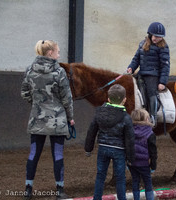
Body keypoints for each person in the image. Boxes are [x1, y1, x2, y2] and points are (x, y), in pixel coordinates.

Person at [21, 40, 75, 200]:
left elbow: (24, 92)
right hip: (57, 120)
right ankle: (60, 191)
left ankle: (27, 190)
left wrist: (37, 104)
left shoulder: (29, 70)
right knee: (57, 154)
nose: (59, 54)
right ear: (50, 53)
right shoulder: (59, 72)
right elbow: (67, 98)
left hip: (37, 119)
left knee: (33, 154)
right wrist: (70, 117)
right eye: (57, 51)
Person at [84, 84, 135, 200]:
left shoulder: (99, 113)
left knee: (100, 176)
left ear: (108, 99)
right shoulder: (126, 117)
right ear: (124, 100)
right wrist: (131, 158)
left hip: (103, 148)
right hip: (119, 151)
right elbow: (130, 139)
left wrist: (88, 148)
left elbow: (91, 131)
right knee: (120, 178)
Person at [127, 22, 170, 126]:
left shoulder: (163, 47)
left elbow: (165, 66)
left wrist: (162, 82)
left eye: (160, 37)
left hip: (153, 75)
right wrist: (131, 68)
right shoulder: (142, 44)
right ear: (150, 34)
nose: (157, 39)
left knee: (152, 93)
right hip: (141, 73)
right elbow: (136, 58)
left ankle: (152, 117)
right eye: (155, 36)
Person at [128, 109, 157, 200]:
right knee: (148, 182)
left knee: (135, 181)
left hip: (132, 163)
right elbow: (153, 151)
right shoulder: (150, 133)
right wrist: (153, 165)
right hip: (144, 163)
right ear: (147, 119)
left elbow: (127, 147)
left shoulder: (129, 132)